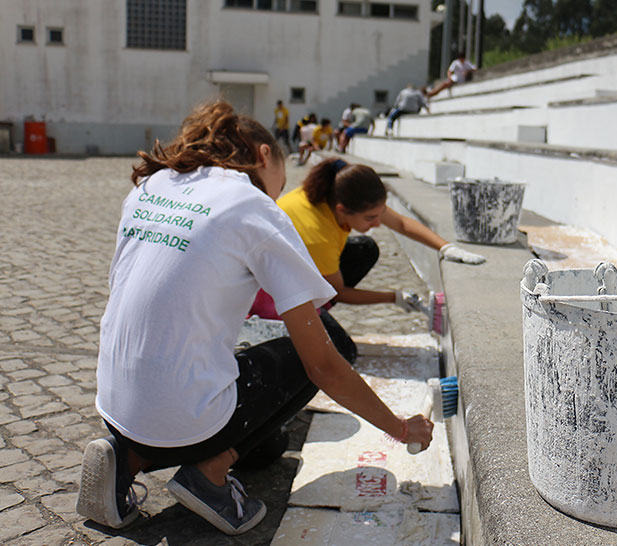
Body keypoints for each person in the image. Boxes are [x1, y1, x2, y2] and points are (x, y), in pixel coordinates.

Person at [76, 100, 433, 536]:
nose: (282, 190)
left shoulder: (150, 185)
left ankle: (126, 457)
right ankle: (207, 476)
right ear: (265, 155)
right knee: (333, 343)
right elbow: (323, 365)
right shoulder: (253, 204)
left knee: (270, 448)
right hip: (185, 419)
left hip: (116, 404)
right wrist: (399, 427)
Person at [250, 157, 486, 364]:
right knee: (343, 352)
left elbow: (401, 223)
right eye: (371, 218)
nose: (377, 223)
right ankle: (289, 326)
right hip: (268, 294)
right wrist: (392, 297)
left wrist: (446, 247)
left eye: (379, 214)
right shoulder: (317, 234)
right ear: (342, 210)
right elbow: (338, 292)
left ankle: (317, 309)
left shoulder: (336, 192)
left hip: (300, 267)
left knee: (366, 249)